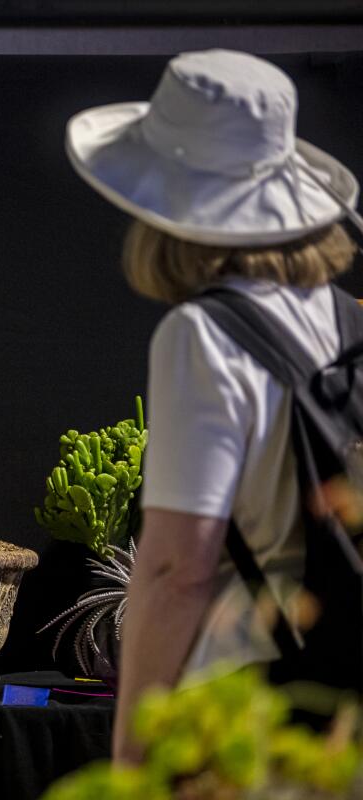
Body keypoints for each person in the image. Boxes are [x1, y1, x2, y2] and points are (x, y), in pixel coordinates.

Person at [65, 49, 361, 761]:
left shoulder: (202, 335)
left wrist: (134, 753)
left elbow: (177, 569)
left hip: (252, 711)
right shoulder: (348, 320)